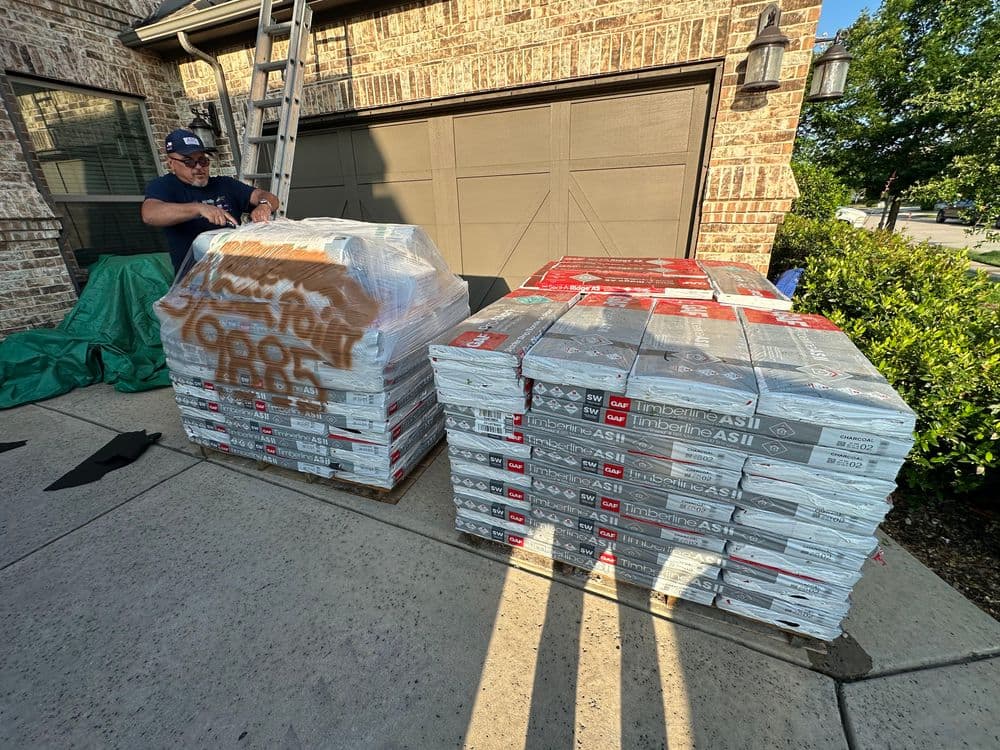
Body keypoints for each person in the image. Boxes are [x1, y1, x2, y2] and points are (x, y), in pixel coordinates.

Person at [141, 129, 280, 274]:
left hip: (233, 273)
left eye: (203, 160)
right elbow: (150, 214)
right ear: (171, 163)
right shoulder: (165, 186)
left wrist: (265, 205)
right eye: (189, 162)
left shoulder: (225, 184)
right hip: (193, 280)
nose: (199, 167)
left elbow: (268, 196)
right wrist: (199, 208)